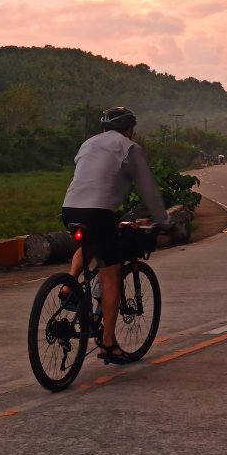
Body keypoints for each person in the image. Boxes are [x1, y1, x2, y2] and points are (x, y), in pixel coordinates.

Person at [61, 106, 172, 364]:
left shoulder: (87, 144)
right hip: (100, 212)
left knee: (89, 243)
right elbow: (149, 191)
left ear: (103, 128)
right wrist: (165, 221)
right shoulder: (129, 148)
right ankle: (109, 345)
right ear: (130, 129)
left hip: (70, 208)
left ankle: (68, 285)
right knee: (110, 275)